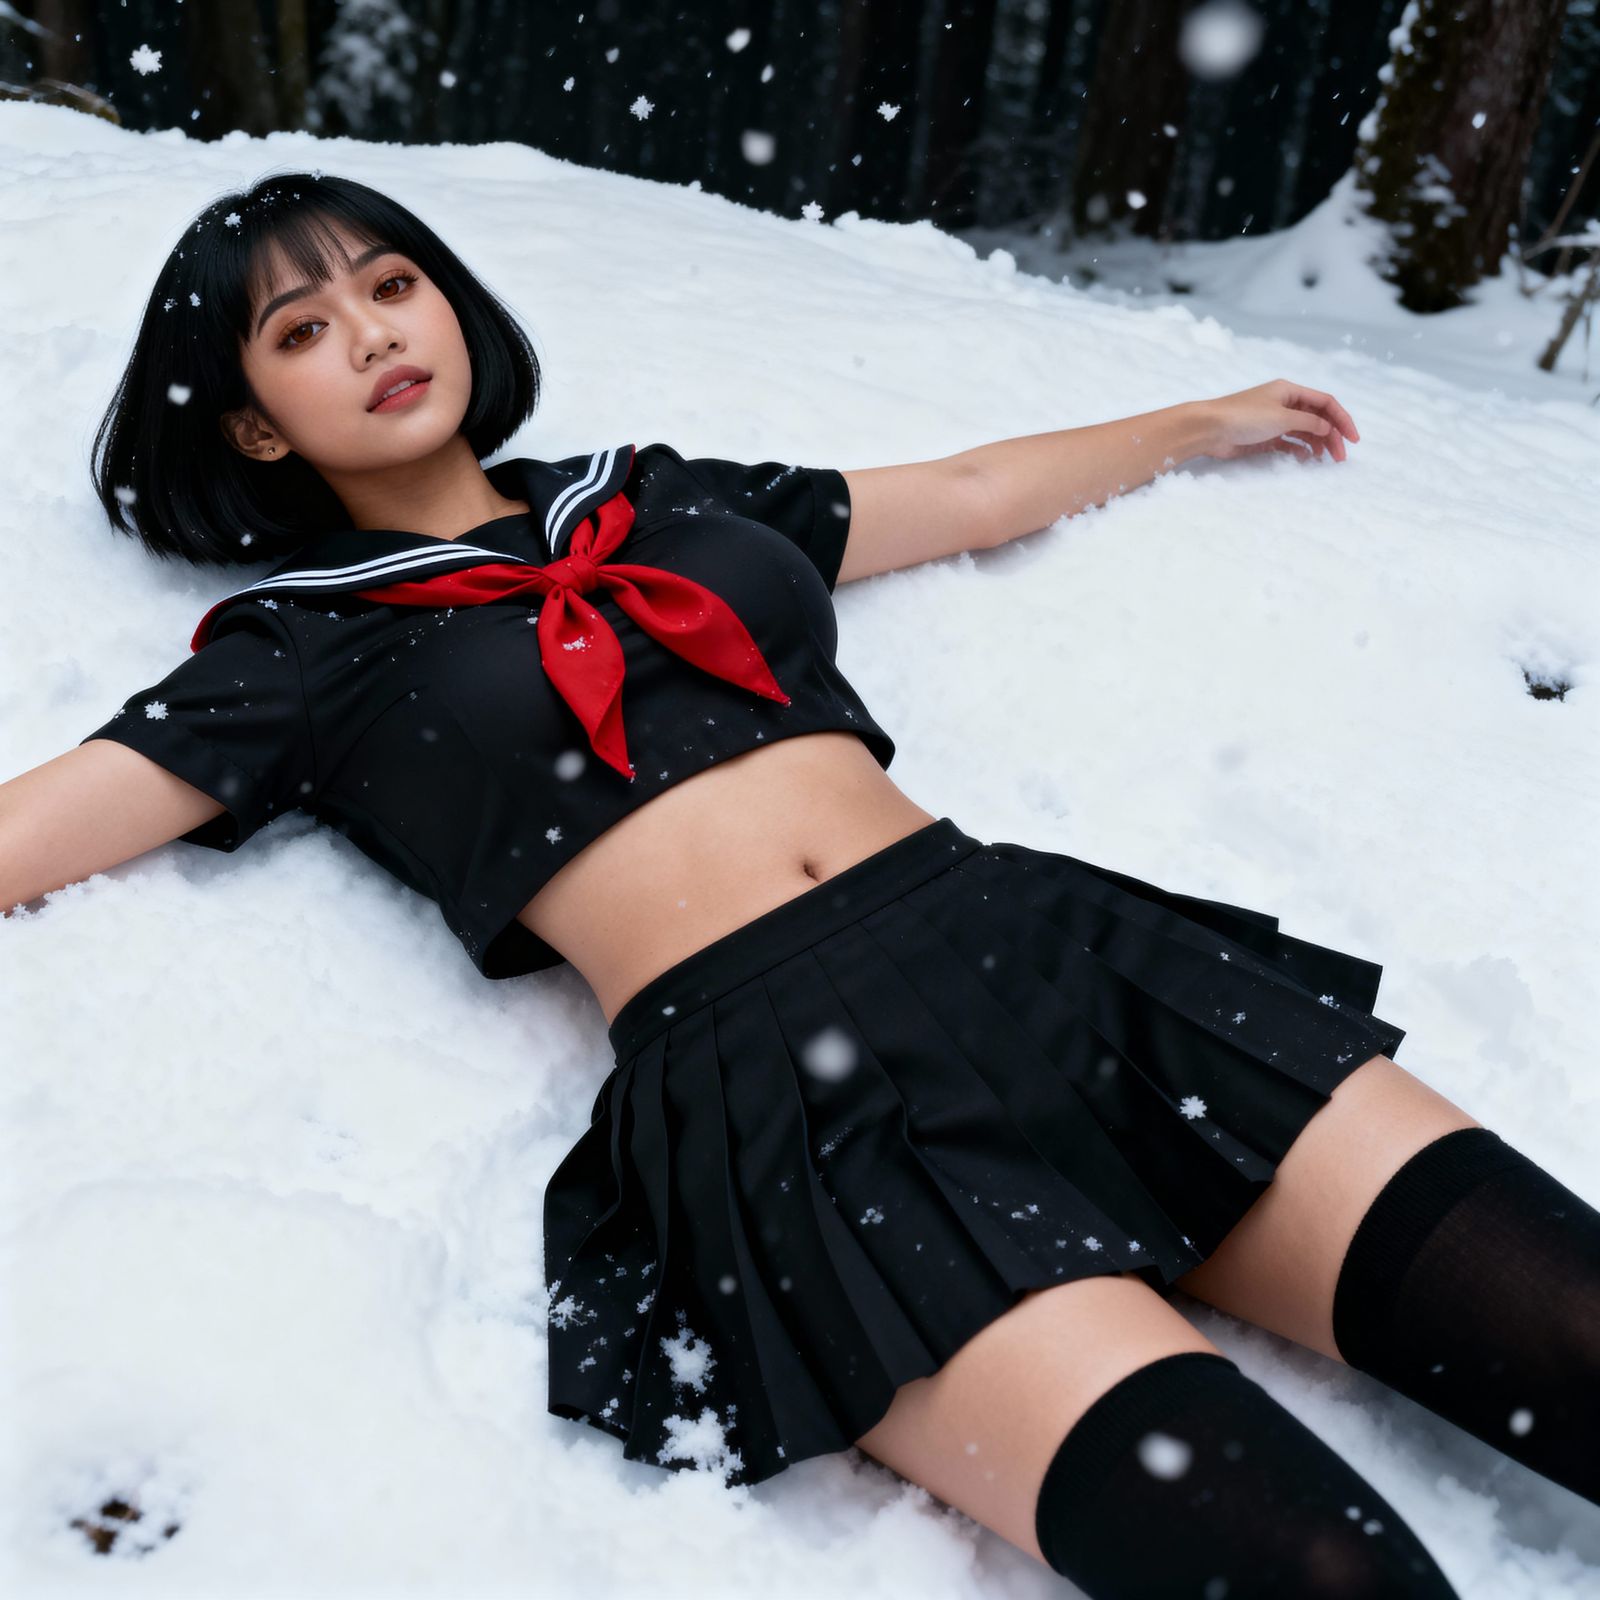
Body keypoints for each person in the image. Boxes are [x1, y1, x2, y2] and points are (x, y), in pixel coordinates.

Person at [3, 171, 1594, 1598]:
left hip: (1042, 961)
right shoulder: (301, 652)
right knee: (1318, 1573)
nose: (370, 333)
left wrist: (1190, 425)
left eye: (392, 284)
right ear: (254, 427)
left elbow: (965, 493)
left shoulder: (655, 497)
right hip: (799, 1111)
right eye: (301, 329)